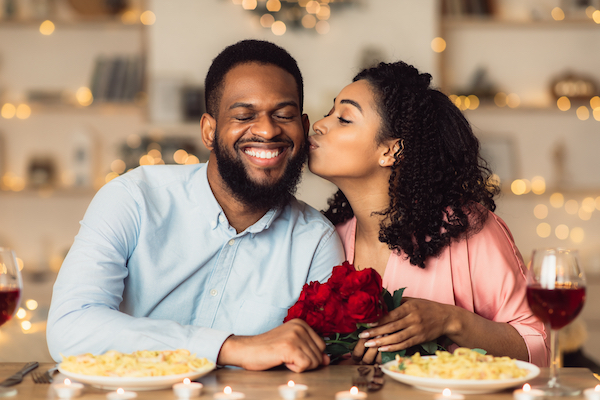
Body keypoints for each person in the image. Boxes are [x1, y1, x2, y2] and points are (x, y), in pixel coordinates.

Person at [47, 39, 345, 373]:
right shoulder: (133, 199)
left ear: (303, 129)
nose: (266, 129)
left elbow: (320, 362)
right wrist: (229, 347)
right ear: (209, 131)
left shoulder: (316, 242)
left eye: (283, 115)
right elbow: (69, 328)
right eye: (244, 115)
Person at [308, 60, 549, 367]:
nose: (319, 124)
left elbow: (536, 347)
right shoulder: (326, 233)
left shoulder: (468, 228)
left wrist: (450, 320)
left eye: (344, 118)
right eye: (330, 112)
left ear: (391, 151)